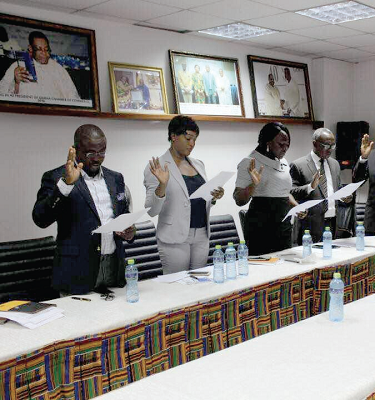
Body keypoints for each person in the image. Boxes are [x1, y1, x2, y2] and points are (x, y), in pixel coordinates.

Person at [32, 125, 134, 295]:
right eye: (90, 153)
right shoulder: (56, 177)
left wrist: (130, 231)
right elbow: (40, 219)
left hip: (113, 266)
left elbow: (124, 216)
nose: (97, 159)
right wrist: (66, 184)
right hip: (77, 269)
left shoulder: (115, 178)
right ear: (76, 150)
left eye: (102, 152)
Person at [144, 115, 224, 274]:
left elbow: (199, 198)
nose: (192, 144)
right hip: (174, 236)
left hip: (201, 233)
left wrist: (213, 197)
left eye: (195, 139)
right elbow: (151, 210)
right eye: (188, 138)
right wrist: (162, 185)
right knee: (177, 287)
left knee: (199, 282)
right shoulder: (156, 166)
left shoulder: (198, 164)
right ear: (173, 136)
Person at [234, 122, 303, 256]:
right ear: (267, 142)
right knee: (264, 269)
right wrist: (254, 184)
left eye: (287, 145)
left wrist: (296, 206)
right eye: (280, 145)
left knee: (285, 268)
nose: (285, 149)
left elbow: (283, 191)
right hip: (261, 226)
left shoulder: (283, 161)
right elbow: (239, 199)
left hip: (284, 225)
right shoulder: (250, 162)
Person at [290, 128, 353, 244]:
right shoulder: (298, 165)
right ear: (315, 144)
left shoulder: (334, 164)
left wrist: (344, 196)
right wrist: (310, 187)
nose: (330, 150)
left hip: (333, 223)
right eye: (327, 145)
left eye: (333, 146)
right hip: (309, 225)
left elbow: (336, 189)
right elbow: (291, 193)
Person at [0, 31, 80, 100]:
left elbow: (73, 96)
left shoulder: (58, 69)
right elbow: (2, 94)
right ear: (30, 49)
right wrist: (16, 83)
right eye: (39, 49)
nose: (44, 53)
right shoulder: (18, 66)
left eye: (46, 49)